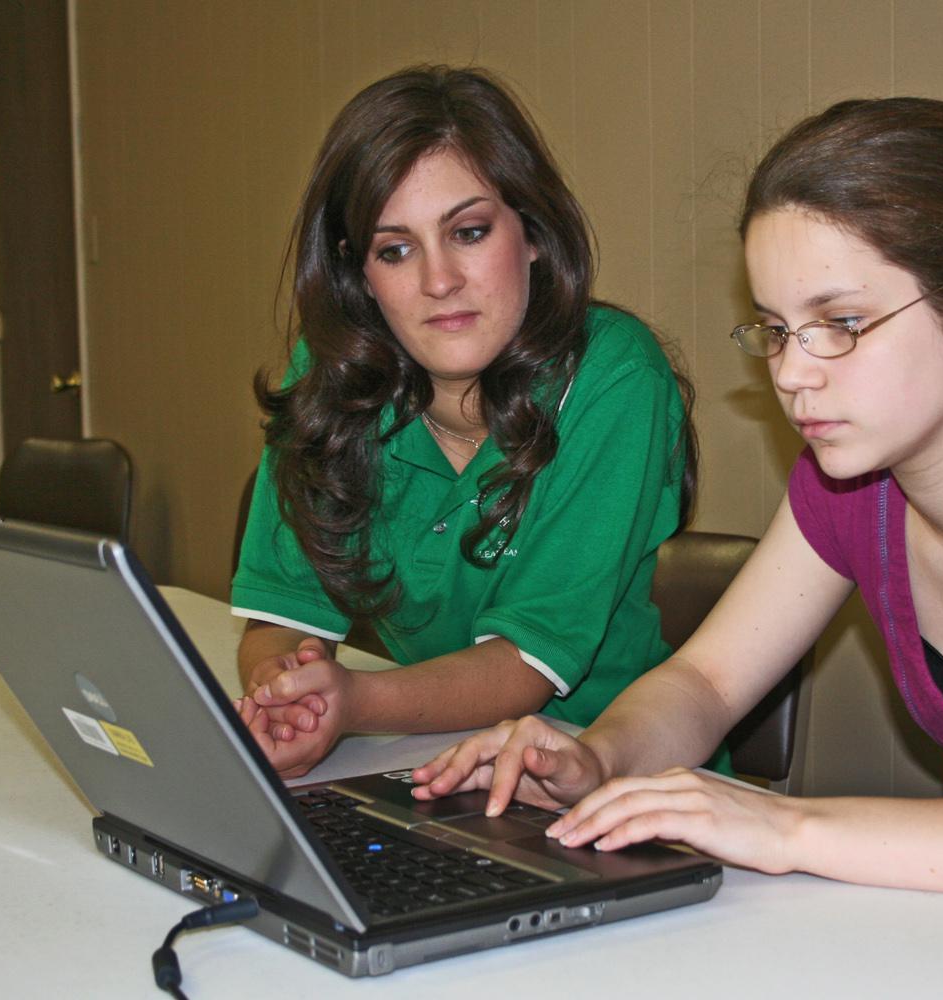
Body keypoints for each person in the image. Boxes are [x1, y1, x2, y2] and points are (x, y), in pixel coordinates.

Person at [409, 97, 943, 993]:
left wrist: (788, 828)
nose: (793, 372)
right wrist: (597, 756)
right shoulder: (853, 483)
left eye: (840, 323)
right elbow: (708, 682)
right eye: (778, 329)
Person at [230, 65, 700, 780]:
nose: (438, 280)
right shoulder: (328, 375)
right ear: (361, 276)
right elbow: (284, 617)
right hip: (439, 764)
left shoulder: (615, 374)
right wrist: (287, 691)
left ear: (534, 234)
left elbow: (524, 667)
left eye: (470, 232)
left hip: (618, 779)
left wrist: (352, 701)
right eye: (395, 250)